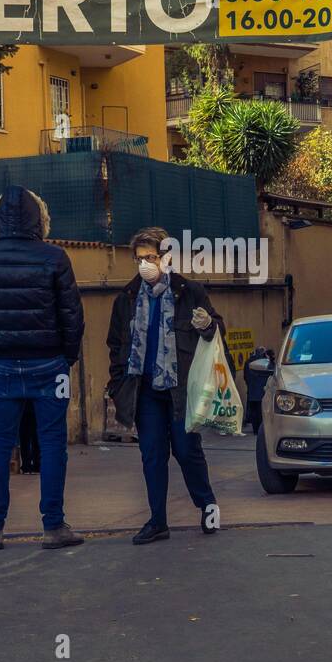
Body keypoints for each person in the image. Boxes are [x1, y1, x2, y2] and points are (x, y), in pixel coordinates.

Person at [0, 186, 84, 551]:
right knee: (52, 444)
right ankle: (53, 526)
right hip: (49, 361)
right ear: (40, 219)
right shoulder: (55, 257)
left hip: (2, 363)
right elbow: (72, 315)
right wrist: (67, 357)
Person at [107, 227, 221, 545]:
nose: (145, 264)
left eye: (151, 257)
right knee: (152, 455)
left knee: (186, 451)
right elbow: (115, 345)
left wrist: (209, 325)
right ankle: (157, 521)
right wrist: (118, 385)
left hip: (180, 388)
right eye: (140, 258)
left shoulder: (190, 292)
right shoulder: (126, 299)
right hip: (144, 389)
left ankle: (207, 505)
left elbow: (215, 331)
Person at [243, 347, 275, 435]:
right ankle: (261, 430)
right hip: (263, 391)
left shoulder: (248, 362)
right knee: (262, 412)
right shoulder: (267, 363)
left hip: (252, 391)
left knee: (254, 412)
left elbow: (245, 377)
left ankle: (255, 430)